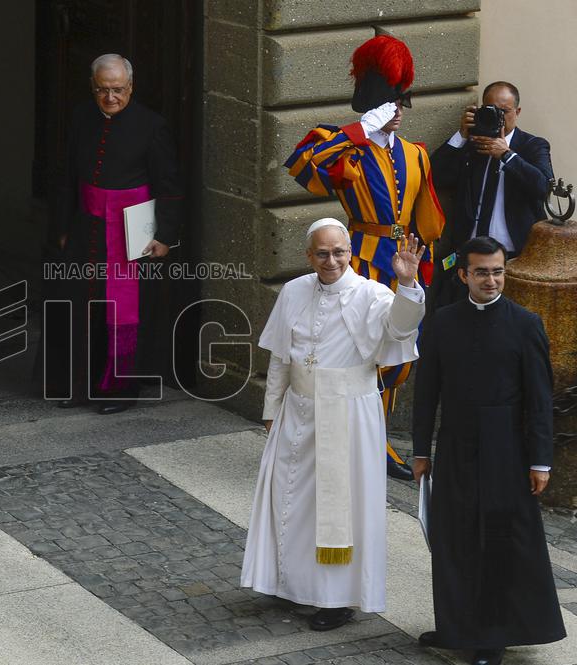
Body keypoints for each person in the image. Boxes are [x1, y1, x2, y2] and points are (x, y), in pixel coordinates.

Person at [241, 218, 426, 630]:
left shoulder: (372, 294)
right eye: (322, 253)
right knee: (290, 499)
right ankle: (289, 583)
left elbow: (400, 327)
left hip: (347, 414)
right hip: (298, 409)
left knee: (340, 508)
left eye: (338, 252)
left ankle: (335, 599)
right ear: (309, 255)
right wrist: (271, 411)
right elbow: (280, 358)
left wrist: (409, 285)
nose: (331, 260)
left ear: (350, 253)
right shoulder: (293, 291)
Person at [284, 34, 444, 480]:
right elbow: (302, 169)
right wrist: (358, 131)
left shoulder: (415, 154)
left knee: (397, 359)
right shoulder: (343, 145)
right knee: (356, 354)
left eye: (397, 103)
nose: (394, 112)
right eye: (387, 104)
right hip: (361, 263)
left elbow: (428, 221)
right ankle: (347, 438)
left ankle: (376, 439)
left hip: (404, 265)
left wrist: (426, 271)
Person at [412, 236, 566, 665]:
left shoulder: (525, 323)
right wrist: (421, 451)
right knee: (454, 538)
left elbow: (539, 399)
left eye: (498, 271)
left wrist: (540, 460)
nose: (492, 280)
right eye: (482, 271)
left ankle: (491, 637)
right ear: (463, 275)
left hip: (506, 450)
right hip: (457, 442)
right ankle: (457, 626)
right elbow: (427, 393)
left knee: (497, 541)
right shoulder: (442, 322)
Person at [45, 53, 184, 415]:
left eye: (118, 90)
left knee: (124, 312)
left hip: (131, 230)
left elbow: (168, 186)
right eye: (103, 90)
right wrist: (61, 228)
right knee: (80, 306)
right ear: (92, 88)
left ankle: (120, 391)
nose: (111, 98)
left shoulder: (152, 126)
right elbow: (66, 176)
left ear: (131, 87)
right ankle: (77, 385)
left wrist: (165, 235)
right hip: (86, 227)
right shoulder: (80, 117)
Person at [428, 82, 553, 308]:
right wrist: (461, 136)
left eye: (504, 111)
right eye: (490, 109)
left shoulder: (532, 146)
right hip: (470, 253)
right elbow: (435, 176)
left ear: (518, 112)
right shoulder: (473, 143)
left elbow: (542, 187)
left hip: (514, 257)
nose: (499, 117)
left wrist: (507, 155)